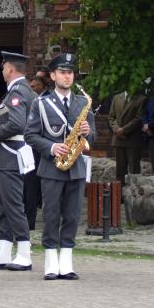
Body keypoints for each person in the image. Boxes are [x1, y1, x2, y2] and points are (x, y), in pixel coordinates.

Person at [25, 53, 96, 280]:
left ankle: (66, 262)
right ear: (53, 76)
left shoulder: (83, 102)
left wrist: (87, 133)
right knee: (51, 214)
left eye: (70, 72)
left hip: (76, 168)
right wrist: (52, 147)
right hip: (51, 167)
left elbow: (93, 137)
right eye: (63, 72)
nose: (67, 76)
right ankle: (50, 261)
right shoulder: (41, 103)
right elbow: (30, 135)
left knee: (72, 215)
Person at [0, 51, 37, 272]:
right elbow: (1, 114)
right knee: (2, 205)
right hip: (7, 156)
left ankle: (24, 252)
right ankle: (3, 250)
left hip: (10, 154)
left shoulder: (17, 92)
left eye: (3, 67)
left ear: (10, 68)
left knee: (12, 204)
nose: (2, 71)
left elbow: (17, 124)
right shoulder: (19, 91)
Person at [108, 89, 145, 183]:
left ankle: (134, 191)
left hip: (132, 140)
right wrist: (116, 129)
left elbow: (139, 118)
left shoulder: (141, 99)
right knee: (120, 171)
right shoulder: (116, 98)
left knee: (134, 170)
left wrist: (124, 130)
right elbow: (111, 117)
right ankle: (120, 191)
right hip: (118, 139)